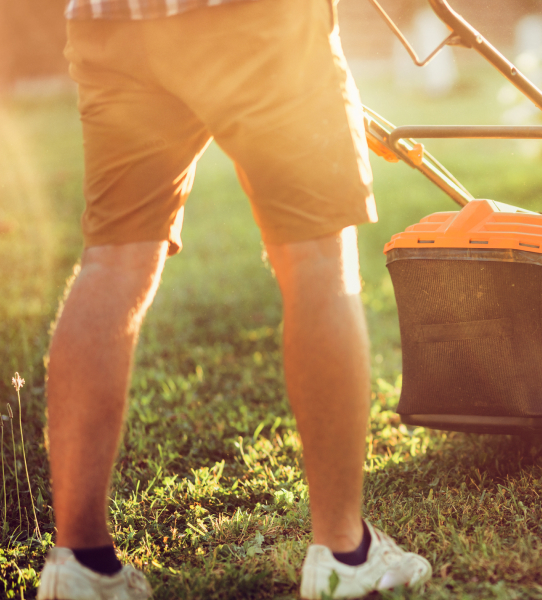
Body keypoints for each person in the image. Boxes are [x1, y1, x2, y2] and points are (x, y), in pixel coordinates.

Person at [36, 0, 431, 598]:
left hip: (111, 24)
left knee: (112, 259)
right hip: (253, 19)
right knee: (317, 259)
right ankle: (347, 555)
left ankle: (82, 564)